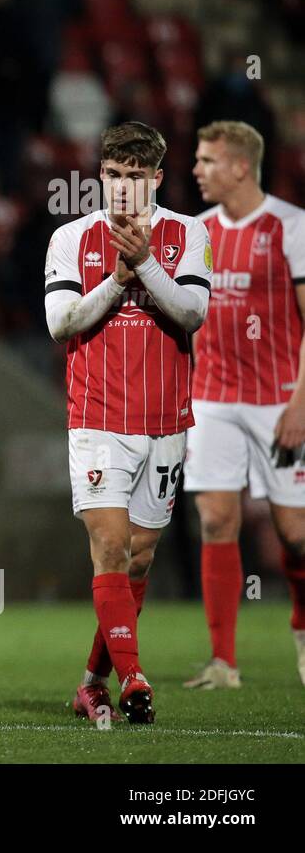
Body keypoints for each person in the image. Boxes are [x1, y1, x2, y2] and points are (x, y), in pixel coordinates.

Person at [44, 121, 212, 724]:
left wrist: (146, 265)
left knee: (138, 558)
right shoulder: (71, 239)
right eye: (112, 175)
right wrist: (118, 279)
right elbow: (61, 324)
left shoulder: (189, 234)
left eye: (134, 178)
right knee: (109, 545)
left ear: (157, 179)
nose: (121, 188)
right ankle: (135, 678)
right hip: (97, 417)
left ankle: (93, 682)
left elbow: (192, 313)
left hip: (166, 420)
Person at [185, 120, 305, 689]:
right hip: (211, 399)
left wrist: (301, 402)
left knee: (295, 534)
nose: (197, 170)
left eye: (207, 160)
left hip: (279, 398)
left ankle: (302, 627)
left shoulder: (291, 226)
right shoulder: (197, 231)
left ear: (239, 166)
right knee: (215, 518)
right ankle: (223, 661)